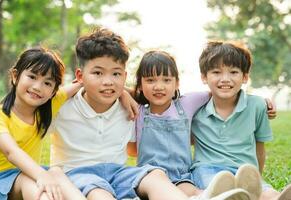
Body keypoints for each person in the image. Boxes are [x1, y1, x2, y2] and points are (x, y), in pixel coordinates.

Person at [49, 28, 253, 200]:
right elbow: (39, 102)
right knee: (99, 193)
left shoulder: (129, 108)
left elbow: (218, 92)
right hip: (78, 175)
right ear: (80, 75)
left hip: (120, 173)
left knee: (155, 174)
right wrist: (74, 89)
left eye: (116, 74)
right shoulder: (62, 108)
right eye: (98, 73)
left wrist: (259, 102)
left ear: (125, 77)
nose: (108, 82)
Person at [127, 50, 268, 199]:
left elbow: (222, 93)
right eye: (150, 80)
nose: (159, 86)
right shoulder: (137, 111)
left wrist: (261, 102)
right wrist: (125, 94)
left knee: (193, 192)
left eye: (166, 80)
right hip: (149, 177)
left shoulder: (187, 103)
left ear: (177, 83)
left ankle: (219, 196)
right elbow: (132, 150)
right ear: (140, 85)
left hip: (180, 176)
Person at [0, 47, 86, 200]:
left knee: (56, 173)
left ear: (53, 92)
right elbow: (11, 152)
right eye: (32, 76)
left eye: (47, 83)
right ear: (15, 76)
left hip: (27, 177)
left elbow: (85, 82)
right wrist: (40, 175)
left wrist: (124, 94)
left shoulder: (49, 106)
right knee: (33, 180)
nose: (38, 87)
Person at [190, 41, 291, 200]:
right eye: (216, 72)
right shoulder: (195, 109)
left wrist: (257, 176)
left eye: (233, 72)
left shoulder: (257, 106)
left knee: (266, 191)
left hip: (244, 170)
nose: (225, 79)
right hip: (207, 170)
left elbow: (260, 147)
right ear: (204, 77)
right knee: (219, 188)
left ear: (245, 77)